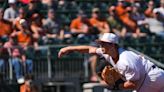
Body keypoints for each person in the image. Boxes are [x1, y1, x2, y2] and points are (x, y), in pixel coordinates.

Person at [58, 33, 164, 92]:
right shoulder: (108, 53)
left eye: (104, 44)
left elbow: (133, 84)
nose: (101, 46)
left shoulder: (125, 61)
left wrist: (117, 86)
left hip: (150, 78)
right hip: (155, 77)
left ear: (113, 45)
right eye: (101, 43)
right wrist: (70, 48)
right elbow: (89, 49)